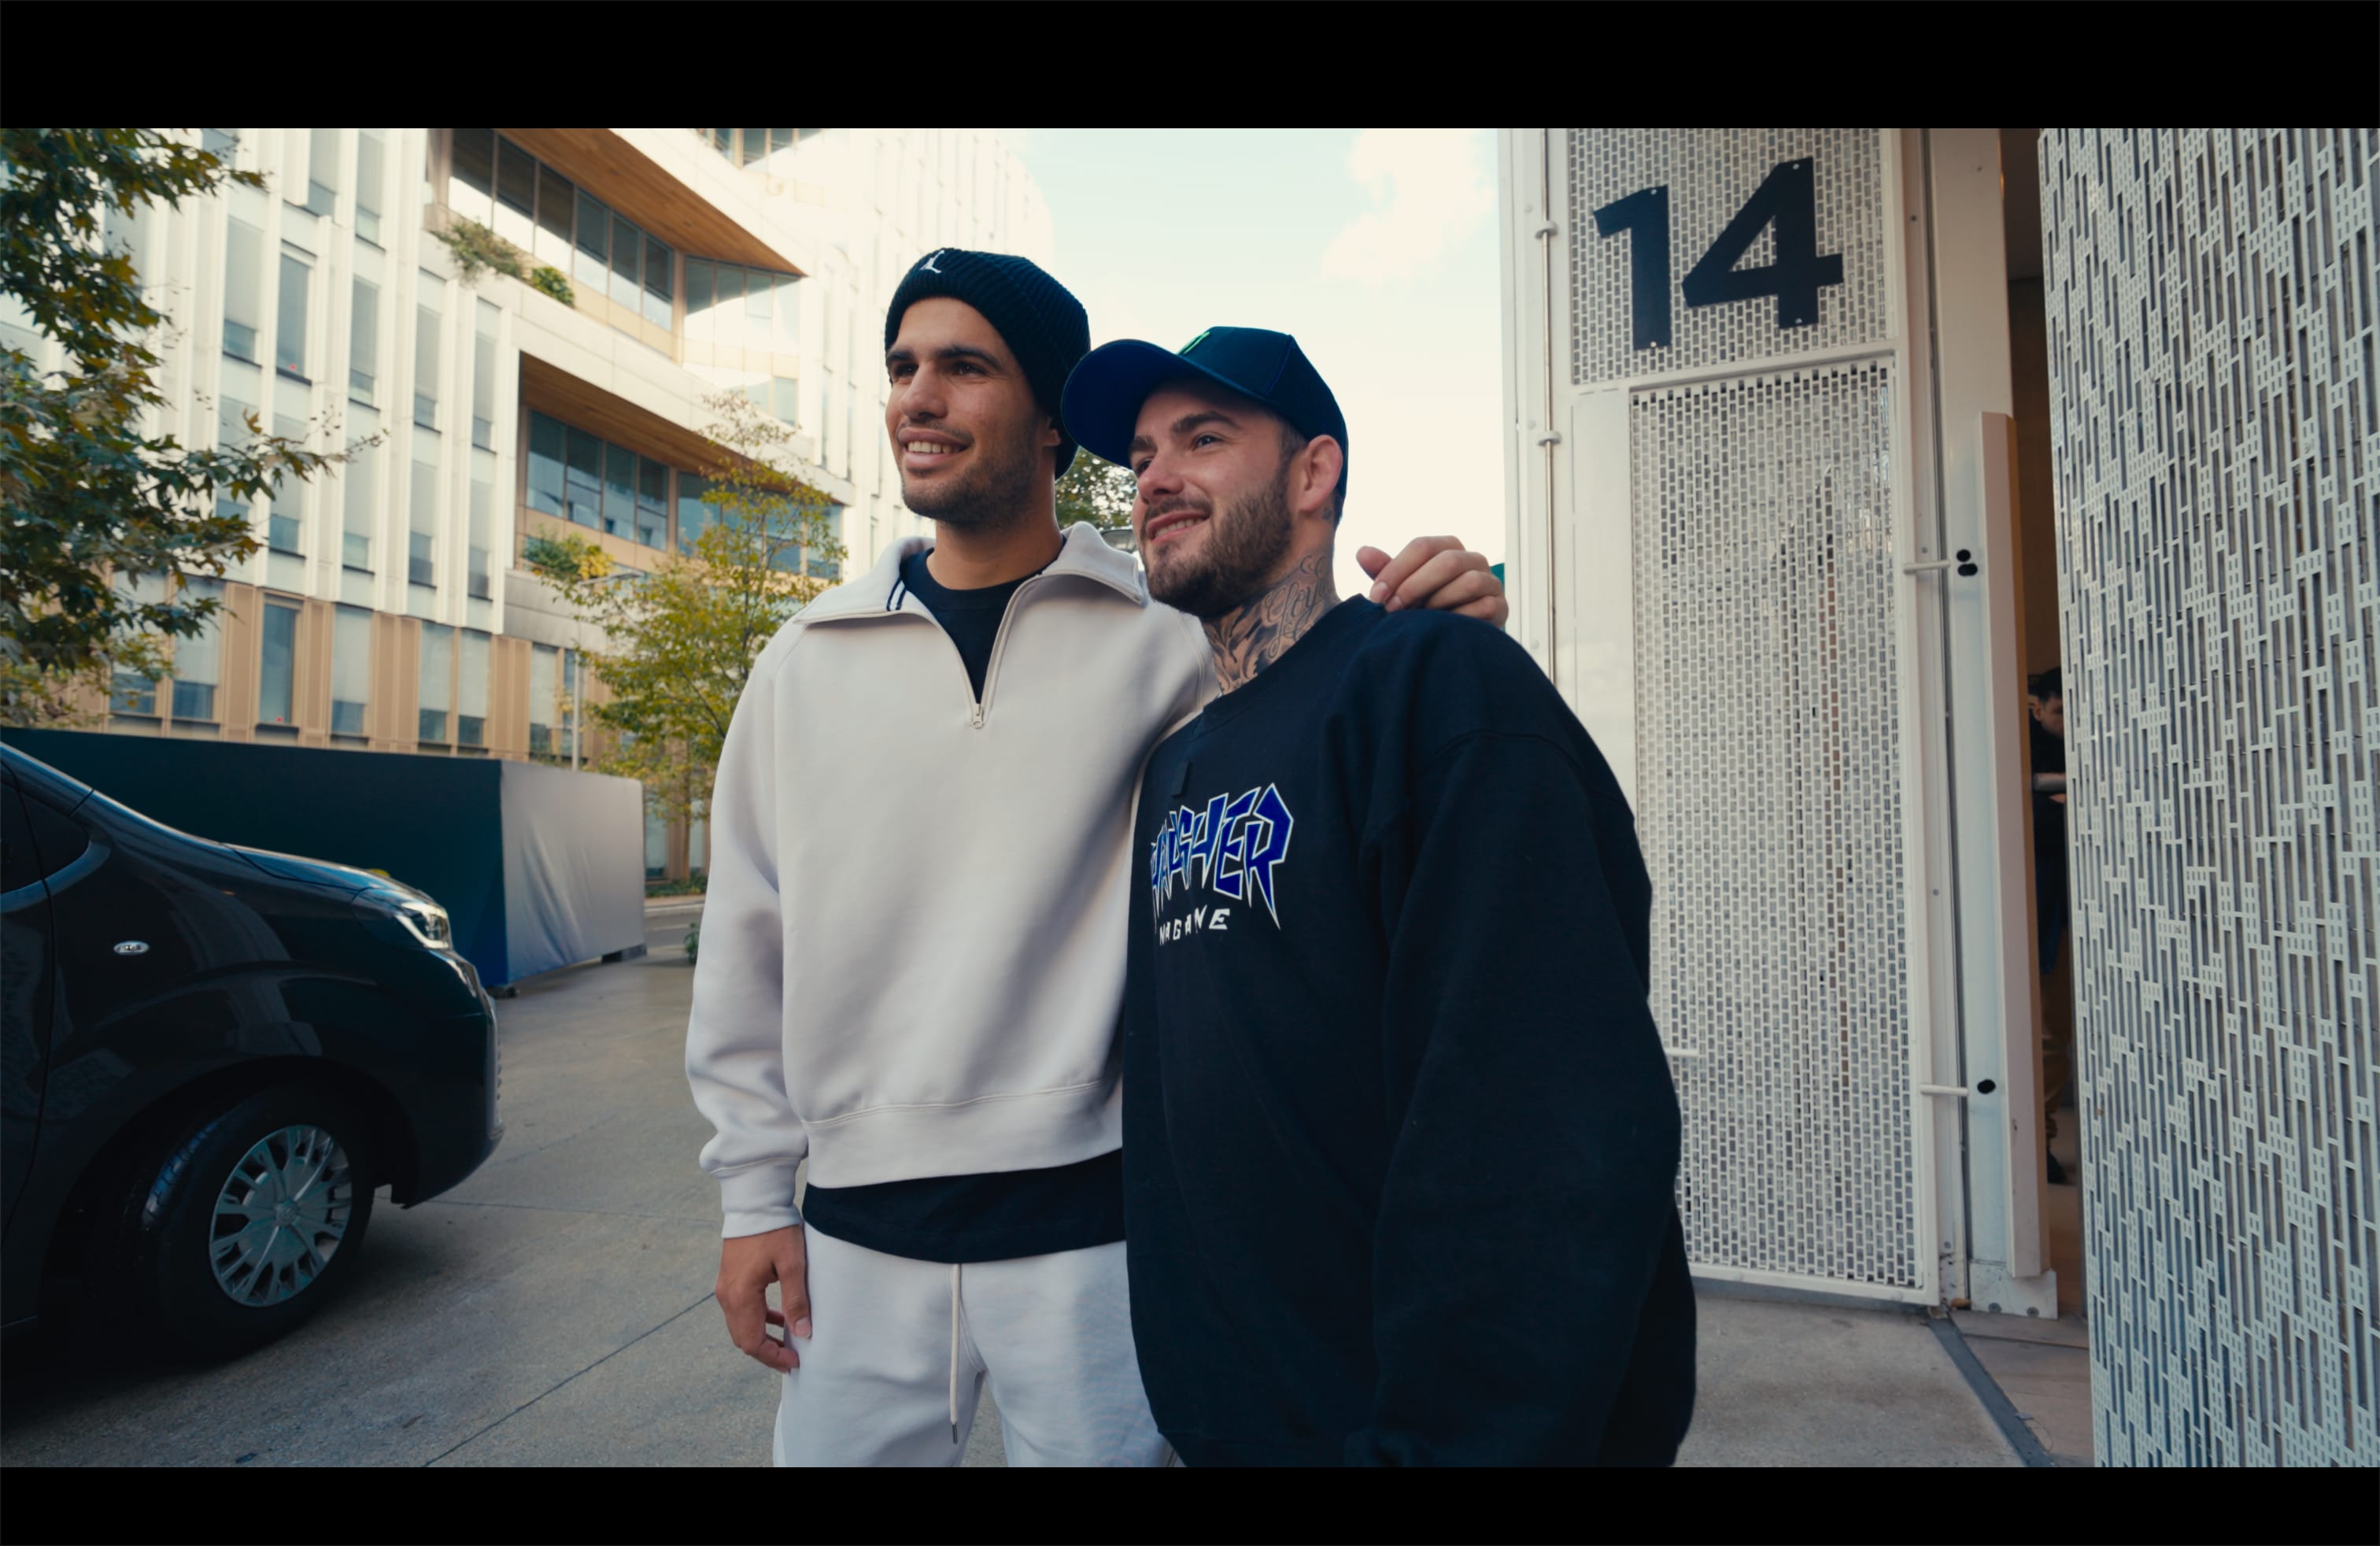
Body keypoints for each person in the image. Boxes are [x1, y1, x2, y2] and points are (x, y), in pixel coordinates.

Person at [685, 252, 1506, 1468]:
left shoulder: (1168, 637)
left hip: (1101, 1240)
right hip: (851, 1248)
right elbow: (745, 944)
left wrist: (1451, 621)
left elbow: (1332, 727)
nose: (920, 396)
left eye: (967, 367)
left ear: (1056, 419)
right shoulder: (802, 663)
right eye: (904, 368)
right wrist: (752, 1200)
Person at [1061, 326, 1695, 1466]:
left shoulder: (1436, 687)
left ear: (1315, 472)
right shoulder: (1178, 764)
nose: (1155, 478)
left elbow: (1541, 1124)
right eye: (1143, 455)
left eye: (1203, 438)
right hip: (1233, 1419)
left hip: (1411, 1430)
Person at [2029, 667, 2073, 1184]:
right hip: (2043, 911)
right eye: (2059, 710)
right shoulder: (2021, 754)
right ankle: (2037, 1144)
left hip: (2072, 909)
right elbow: (2036, 822)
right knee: (2043, 1034)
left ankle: (2041, 1142)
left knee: (2056, 1036)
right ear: (2037, 708)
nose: (2068, 721)